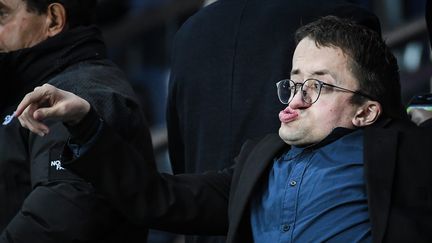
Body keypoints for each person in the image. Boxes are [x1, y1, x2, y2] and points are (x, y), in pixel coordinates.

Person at [16, 16, 432, 242]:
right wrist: (85, 121)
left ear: (365, 112)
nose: (295, 98)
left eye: (318, 85)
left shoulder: (405, 150)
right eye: (294, 81)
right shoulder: (257, 163)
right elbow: (154, 197)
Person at [0, 0, 152, 242]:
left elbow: (59, 218)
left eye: (2, 14)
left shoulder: (79, 92)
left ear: (54, 19)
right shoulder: (26, 89)